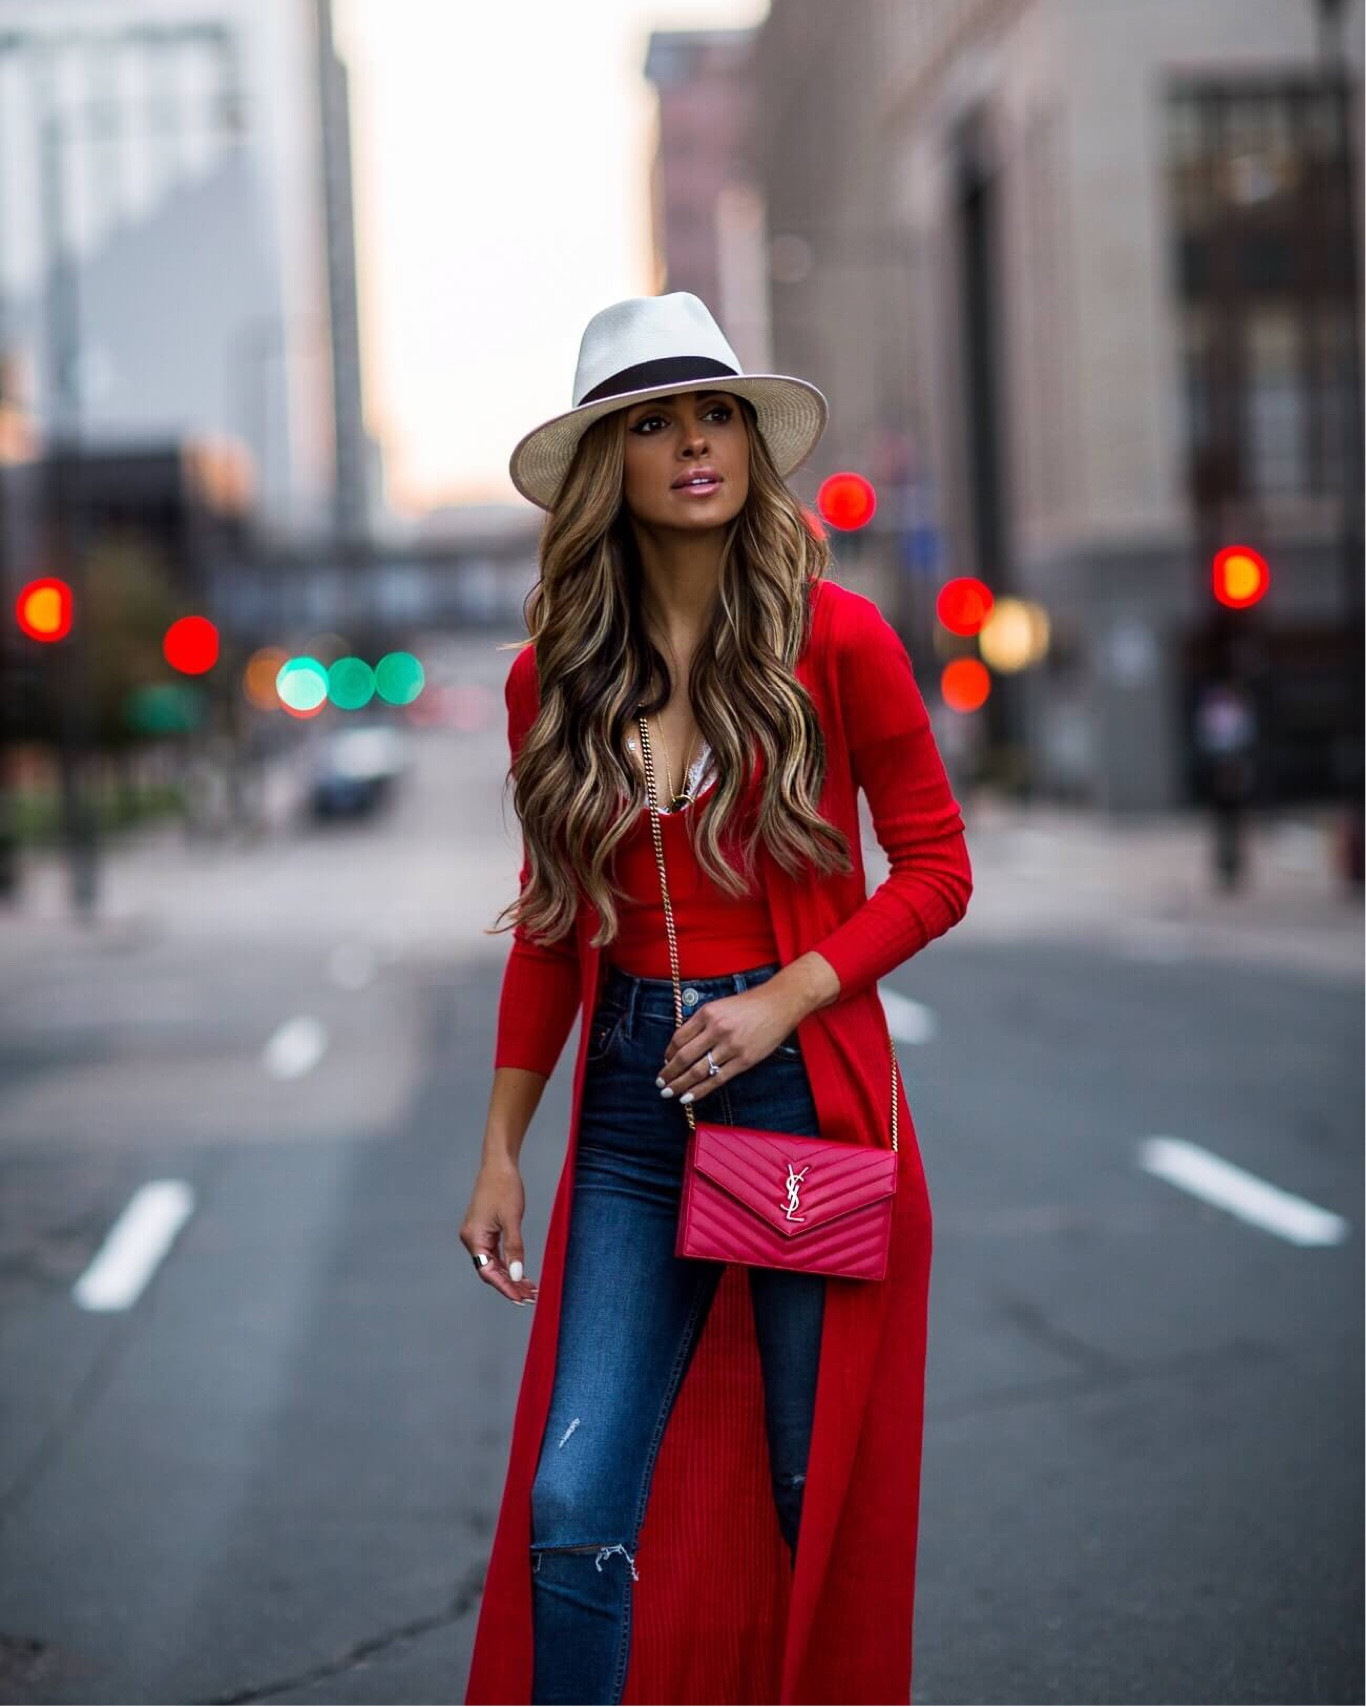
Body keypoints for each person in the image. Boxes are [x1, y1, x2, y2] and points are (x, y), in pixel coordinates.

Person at [461, 292, 972, 1707]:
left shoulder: (837, 639)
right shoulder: (547, 682)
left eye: (713, 415)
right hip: (632, 1112)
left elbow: (933, 869)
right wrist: (503, 1147)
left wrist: (785, 999)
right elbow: (555, 928)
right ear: (602, 470)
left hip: (801, 1097)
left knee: (809, 1492)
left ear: (748, 443)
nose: (693, 442)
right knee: (575, 1500)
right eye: (652, 423)